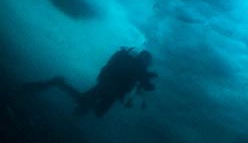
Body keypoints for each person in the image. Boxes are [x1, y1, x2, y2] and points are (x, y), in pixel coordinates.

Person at [22, 47, 157, 117]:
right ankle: (59, 83)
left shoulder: (134, 64)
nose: (148, 64)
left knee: (91, 107)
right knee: (86, 104)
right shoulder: (139, 67)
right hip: (110, 88)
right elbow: (144, 83)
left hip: (109, 87)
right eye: (148, 61)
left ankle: (72, 108)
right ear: (144, 59)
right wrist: (148, 82)